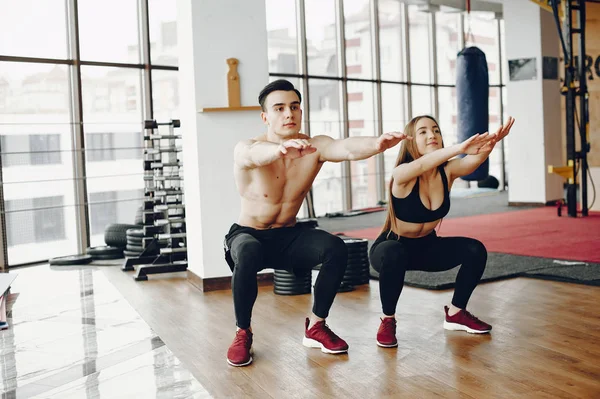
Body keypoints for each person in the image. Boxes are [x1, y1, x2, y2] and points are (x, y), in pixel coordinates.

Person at [223, 79, 410, 366]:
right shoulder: (249, 147)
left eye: (294, 107)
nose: (289, 113)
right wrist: (279, 150)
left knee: (335, 248)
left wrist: (376, 144)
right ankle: (243, 332)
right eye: (280, 108)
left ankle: (317, 325)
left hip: (288, 234)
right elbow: (249, 157)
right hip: (249, 235)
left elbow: (345, 148)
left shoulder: (314, 146)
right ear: (265, 117)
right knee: (248, 251)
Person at [369, 115, 515, 348]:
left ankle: (456, 312)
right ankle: (388, 320)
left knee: (474, 249)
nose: (432, 135)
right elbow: (420, 165)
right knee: (394, 252)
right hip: (391, 248)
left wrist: (492, 143)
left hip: (427, 247)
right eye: (423, 132)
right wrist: (460, 147)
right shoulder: (403, 173)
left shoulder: (447, 171)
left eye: (436, 130)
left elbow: (472, 162)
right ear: (410, 141)